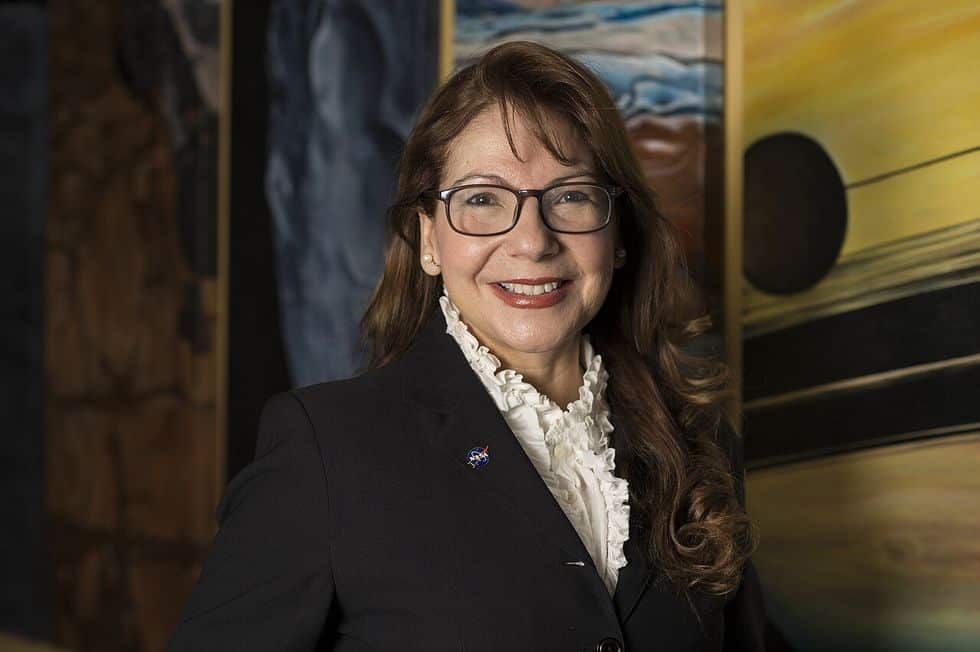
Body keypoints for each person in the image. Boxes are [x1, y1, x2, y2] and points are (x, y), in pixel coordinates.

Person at [168, 40, 766, 652]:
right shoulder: (325, 451)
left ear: (617, 235)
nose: (532, 242)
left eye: (570, 196)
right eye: (482, 199)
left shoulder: (699, 445)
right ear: (429, 239)